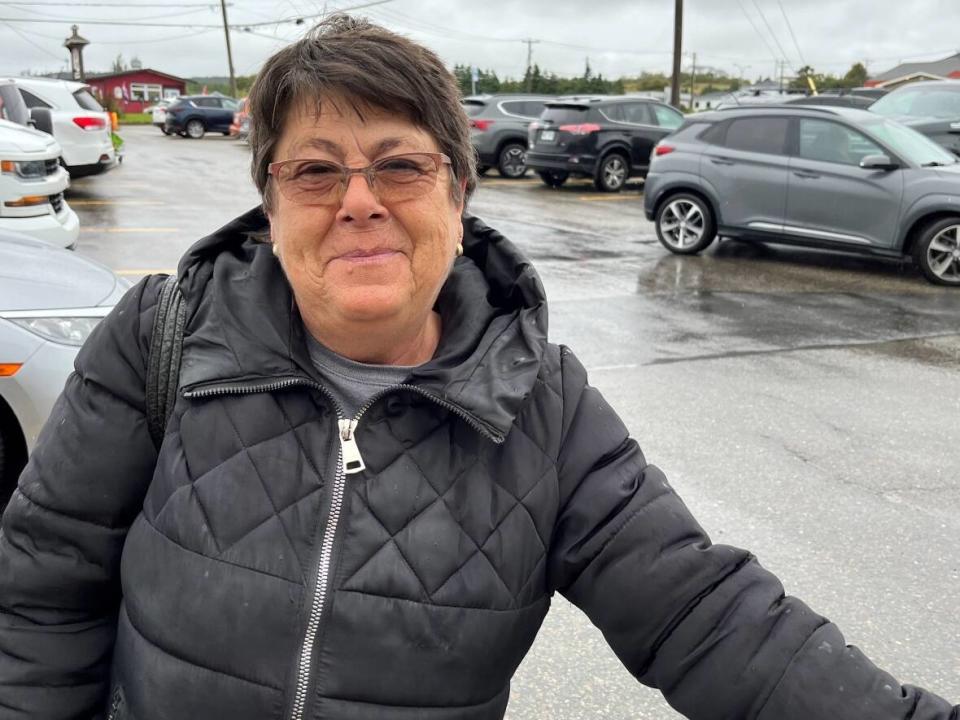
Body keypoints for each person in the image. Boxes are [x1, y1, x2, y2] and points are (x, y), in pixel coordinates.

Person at [0, 15, 955, 720]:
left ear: (459, 193)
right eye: (317, 169)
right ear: (271, 201)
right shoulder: (163, 337)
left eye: (400, 166)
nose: (359, 201)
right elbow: (43, 588)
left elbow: (707, 618)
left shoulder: (545, 408)